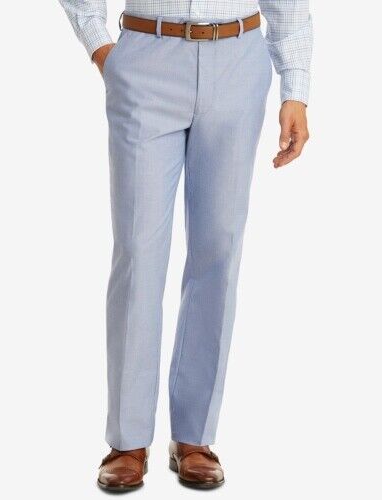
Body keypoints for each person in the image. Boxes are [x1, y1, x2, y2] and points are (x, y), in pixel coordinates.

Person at [60, 0, 312, 491]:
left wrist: (296, 88)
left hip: (238, 58)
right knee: (138, 253)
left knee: (219, 251)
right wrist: (103, 49)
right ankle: (128, 440)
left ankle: (195, 436)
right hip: (146, 55)